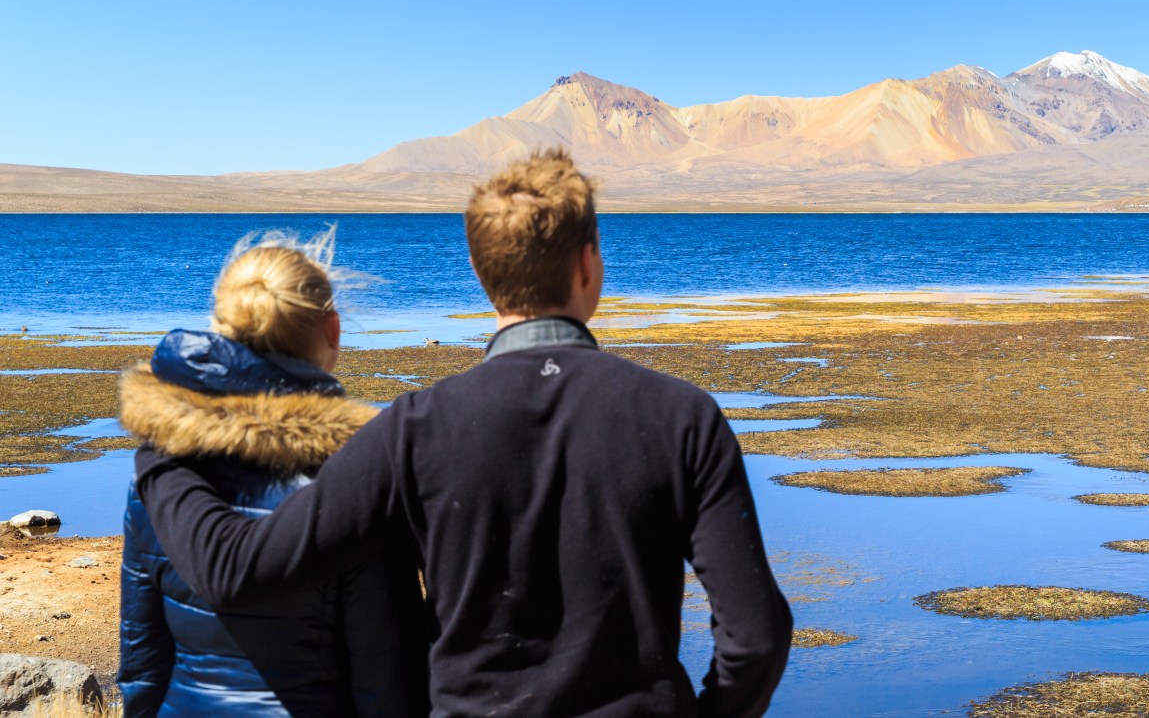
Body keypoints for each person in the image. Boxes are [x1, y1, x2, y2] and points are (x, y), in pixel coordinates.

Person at [134, 149, 793, 717]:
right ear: (589, 263)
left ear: (482, 276)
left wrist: (163, 451)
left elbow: (240, 570)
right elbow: (756, 637)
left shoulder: (415, 429)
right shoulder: (682, 416)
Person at [118, 233, 429, 717]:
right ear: (333, 331)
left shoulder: (162, 470)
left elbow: (141, 661)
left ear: (222, 326)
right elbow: (385, 678)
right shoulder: (360, 477)